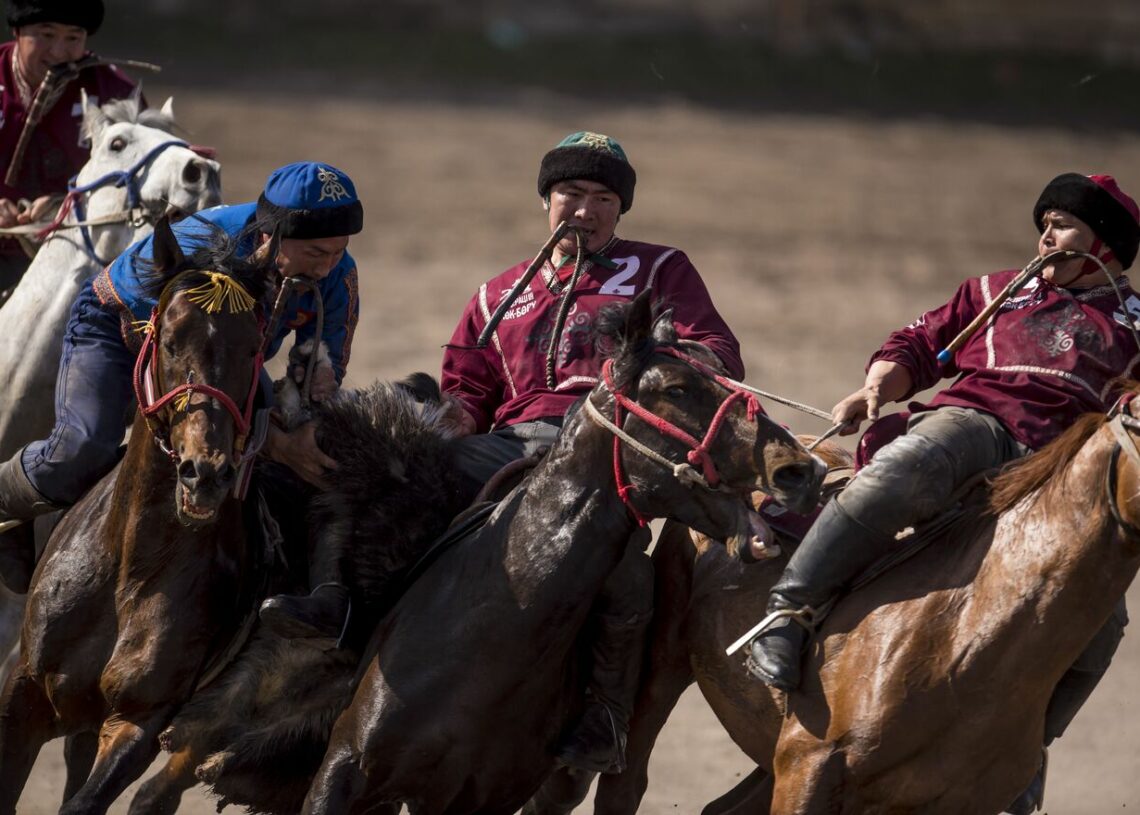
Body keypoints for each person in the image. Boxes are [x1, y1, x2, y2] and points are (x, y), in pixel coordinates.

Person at [259, 130, 745, 776]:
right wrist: (450, 418)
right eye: (571, 192)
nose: (586, 210)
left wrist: (663, 356)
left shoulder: (659, 271)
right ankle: (339, 615)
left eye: (603, 198)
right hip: (510, 447)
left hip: (608, 448)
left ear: (620, 209)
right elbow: (469, 390)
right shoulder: (499, 294)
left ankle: (605, 713)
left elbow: (717, 352)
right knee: (385, 482)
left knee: (624, 566)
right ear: (547, 199)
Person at [746, 172, 1140, 814]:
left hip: (1063, 467)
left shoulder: (1136, 324)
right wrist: (880, 384)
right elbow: (919, 344)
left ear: (1105, 246)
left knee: (1106, 622)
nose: (1046, 236)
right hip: (978, 422)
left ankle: (1025, 744)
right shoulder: (994, 291)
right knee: (902, 469)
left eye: (1063, 225)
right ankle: (788, 611)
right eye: (1043, 224)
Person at [0, 160, 364, 593]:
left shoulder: (338, 274)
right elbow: (184, 357)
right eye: (317, 254)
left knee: (296, 460)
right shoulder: (207, 245)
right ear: (271, 237)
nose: (328, 267)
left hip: (223, 355)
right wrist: (266, 437)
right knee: (81, 451)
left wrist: (311, 393)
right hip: (122, 326)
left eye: (339, 251)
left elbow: (324, 362)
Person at [1, 0, 140, 295]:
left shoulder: (113, 93)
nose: (58, 51)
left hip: (75, 260)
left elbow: (139, 181)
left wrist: (65, 204)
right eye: (47, 35)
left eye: (73, 38)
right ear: (17, 31)